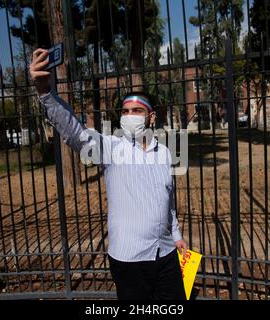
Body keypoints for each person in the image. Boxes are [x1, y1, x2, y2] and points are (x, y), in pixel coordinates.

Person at [30, 48, 187, 300]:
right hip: (130, 260)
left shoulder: (165, 153)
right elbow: (77, 134)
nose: (128, 116)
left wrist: (177, 236)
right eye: (125, 111)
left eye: (136, 111)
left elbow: (169, 202)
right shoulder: (112, 148)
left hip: (166, 254)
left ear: (151, 117)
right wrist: (45, 93)